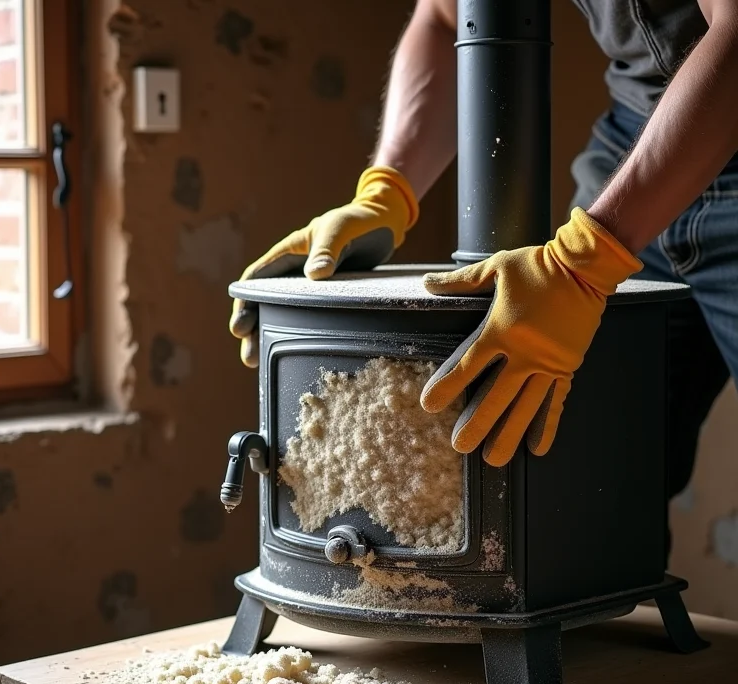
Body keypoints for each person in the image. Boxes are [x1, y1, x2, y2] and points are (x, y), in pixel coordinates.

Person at [230, 0, 737, 492]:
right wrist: (386, 191)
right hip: (640, 134)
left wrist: (582, 263)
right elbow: (446, 15)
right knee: (597, 478)